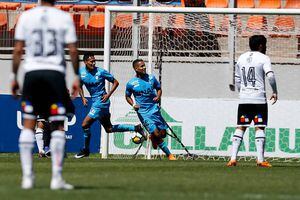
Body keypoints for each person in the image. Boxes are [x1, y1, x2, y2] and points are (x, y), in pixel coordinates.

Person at [11, 0, 80, 189]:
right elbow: (73, 51)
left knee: (28, 123)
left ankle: (27, 178)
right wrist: (76, 76)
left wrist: (13, 76)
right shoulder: (64, 17)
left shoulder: (26, 16)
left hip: (32, 74)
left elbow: (17, 50)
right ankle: (56, 178)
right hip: (54, 75)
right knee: (58, 124)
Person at [74, 52, 146, 159]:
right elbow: (79, 85)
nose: (93, 63)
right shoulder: (81, 72)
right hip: (95, 102)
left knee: (85, 125)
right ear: (85, 62)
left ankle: (85, 150)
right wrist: (83, 97)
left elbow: (116, 82)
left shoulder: (101, 72)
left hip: (102, 102)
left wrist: (108, 95)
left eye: (94, 61)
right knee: (109, 128)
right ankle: (136, 127)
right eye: (91, 61)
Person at [227, 35, 278, 167]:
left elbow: (237, 79)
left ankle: (233, 159)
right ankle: (260, 160)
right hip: (259, 99)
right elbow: (271, 76)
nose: (265, 47)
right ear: (261, 46)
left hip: (244, 99)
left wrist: (242, 92)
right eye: (265, 45)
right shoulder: (264, 58)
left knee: (241, 126)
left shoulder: (241, 57)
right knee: (259, 127)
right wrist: (275, 91)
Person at [125, 59, 176, 161]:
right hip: (143, 112)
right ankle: (170, 155)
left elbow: (159, 88)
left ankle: (153, 137)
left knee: (163, 134)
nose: (144, 68)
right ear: (136, 68)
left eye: (144, 66)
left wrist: (158, 96)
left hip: (154, 109)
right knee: (157, 134)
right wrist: (133, 104)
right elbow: (127, 96)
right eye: (141, 66)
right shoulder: (131, 83)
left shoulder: (151, 78)